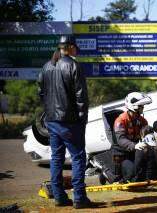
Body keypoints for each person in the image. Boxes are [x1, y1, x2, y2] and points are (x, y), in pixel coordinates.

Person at [38, 35, 91, 209]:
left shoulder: (46, 66)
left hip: (52, 120)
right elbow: (81, 97)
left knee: (56, 158)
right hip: (70, 122)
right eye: (75, 46)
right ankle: (79, 198)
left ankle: (59, 197)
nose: (77, 49)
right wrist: (82, 120)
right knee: (77, 158)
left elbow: (41, 92)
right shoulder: (73, 65)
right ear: (68, 47)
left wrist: (49, 111)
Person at [102, 92, 157, 183]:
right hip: (121, 155)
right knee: (129, 174)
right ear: (134, 106)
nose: (143, 108)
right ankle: (106, 172)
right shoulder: (121, 120)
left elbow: (146, 133)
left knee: (140, 173)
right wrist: (134, 145)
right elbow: (120, 140)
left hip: (134, 153)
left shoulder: (142, 121)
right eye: (141, 106)